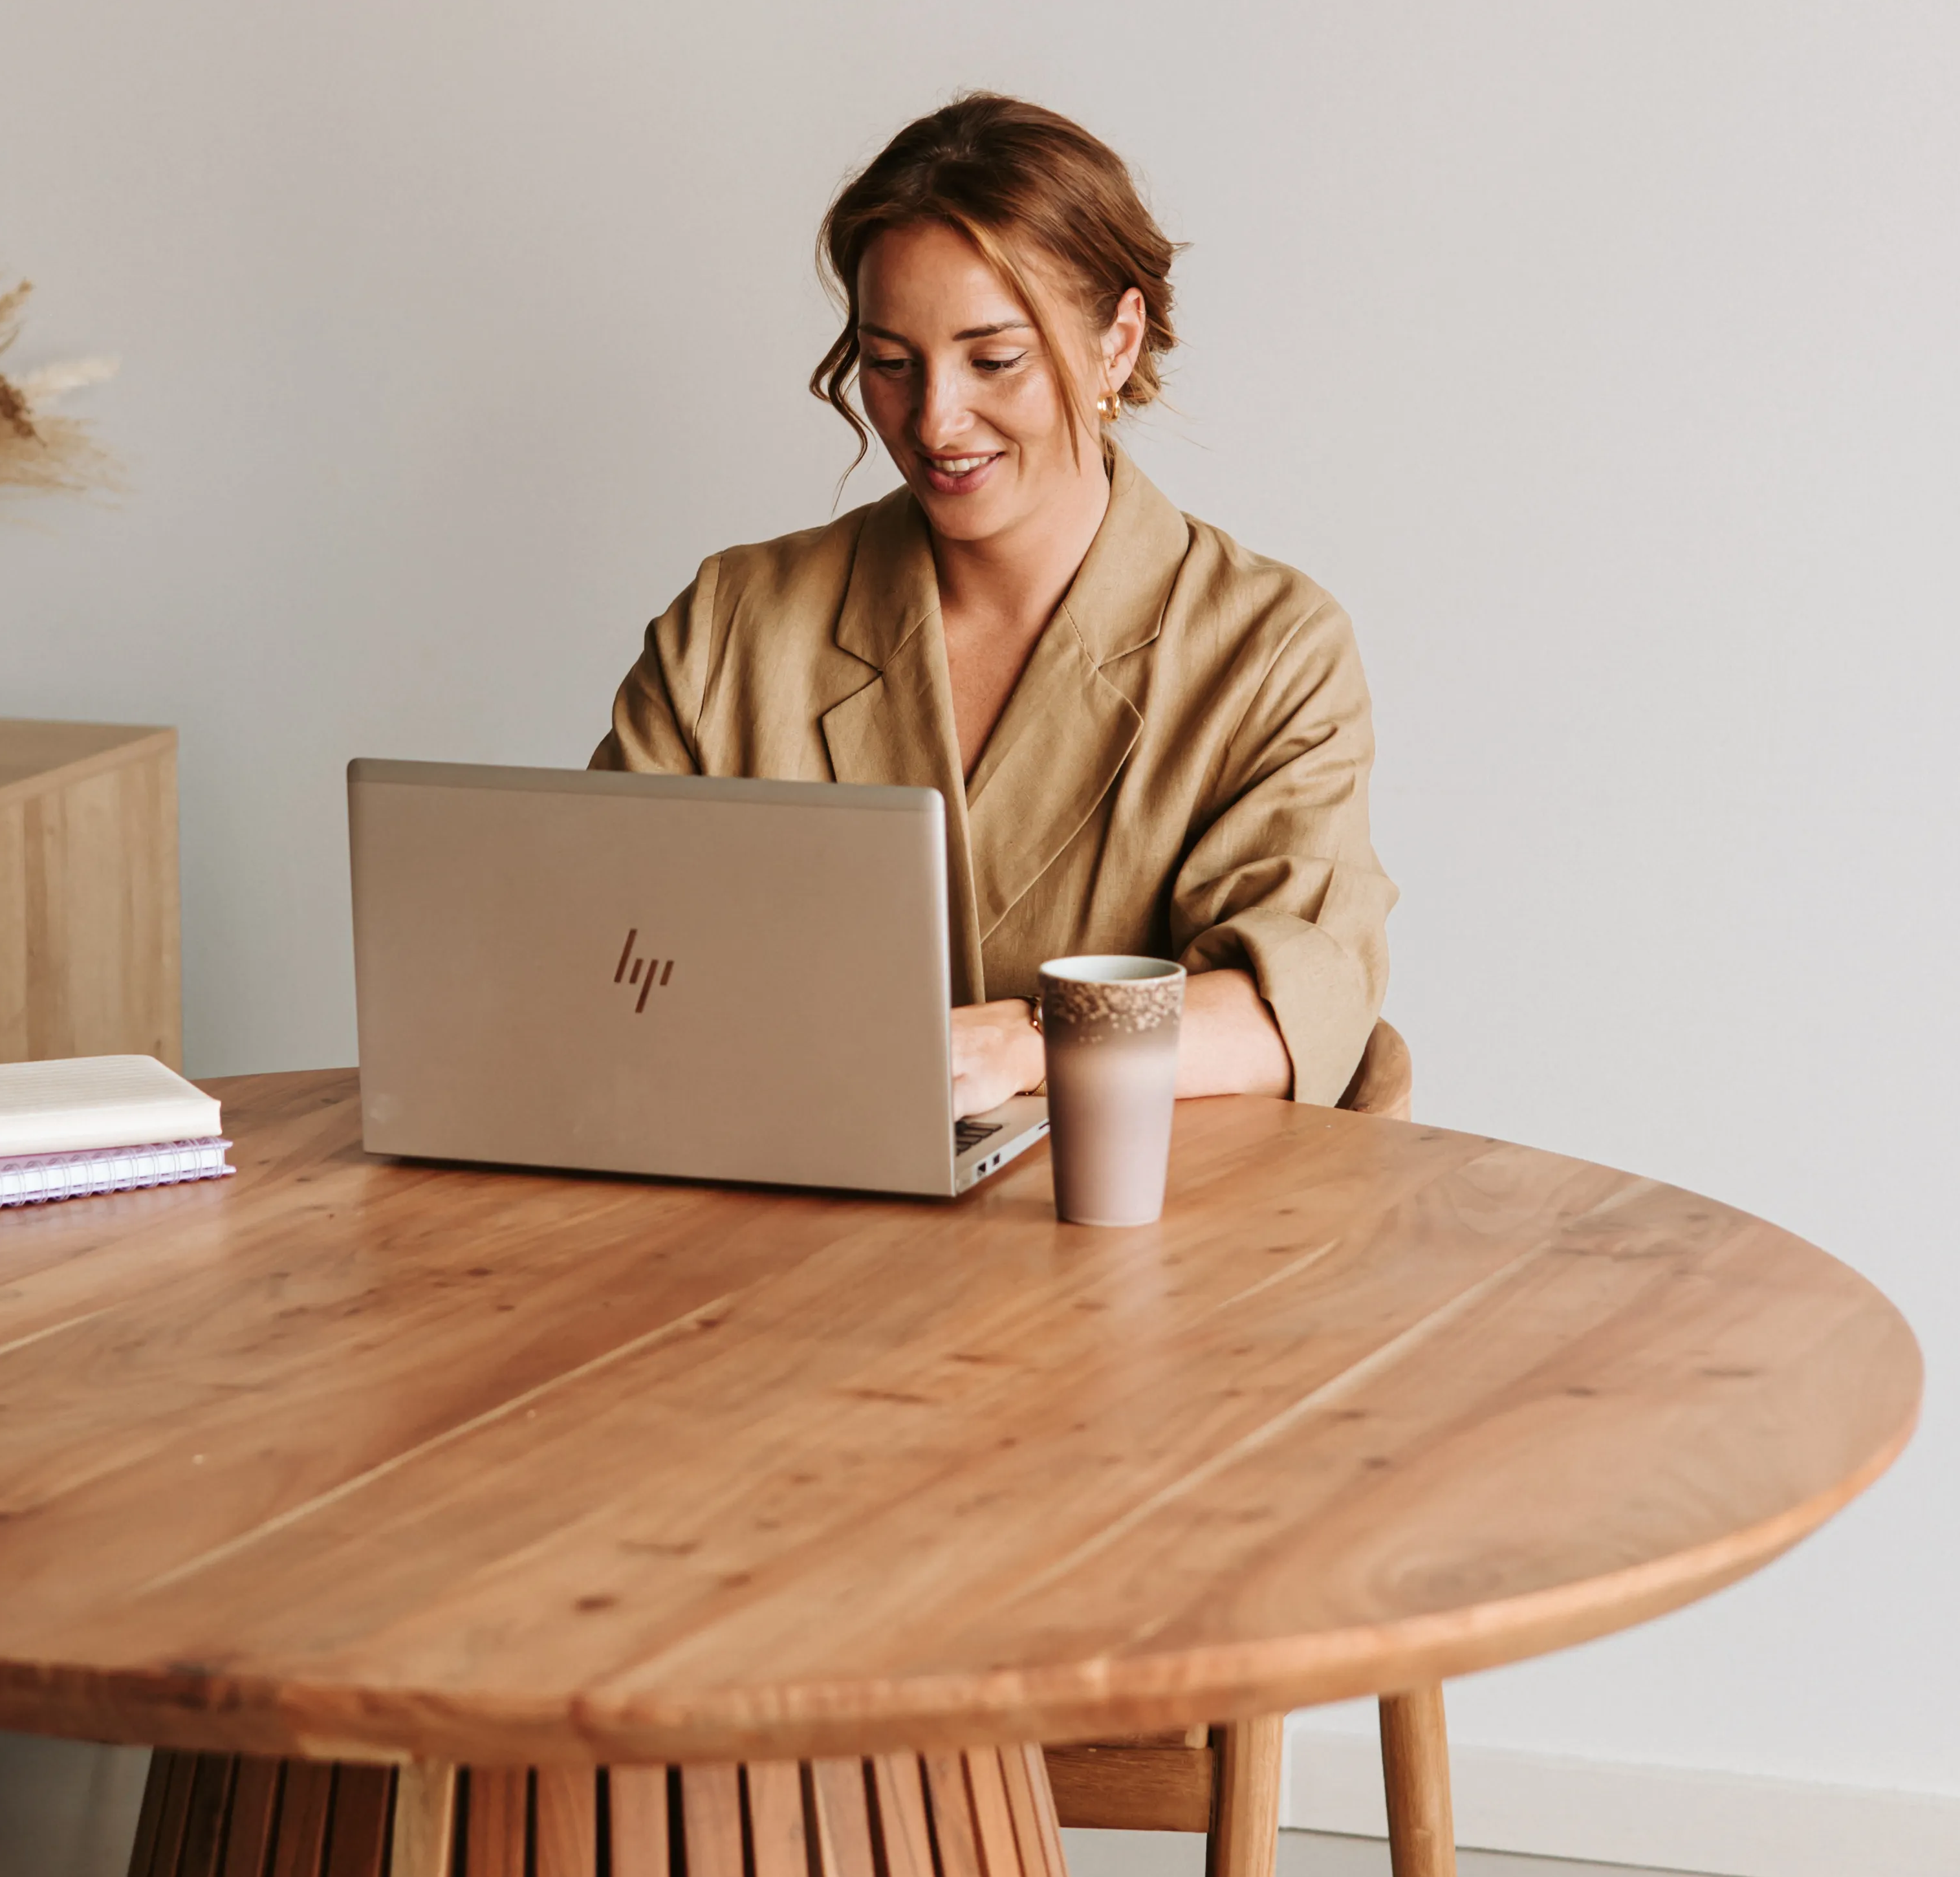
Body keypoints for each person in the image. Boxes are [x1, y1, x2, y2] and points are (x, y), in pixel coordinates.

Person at [594, 93, 1393, 1120]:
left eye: (995, 360)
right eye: (888, 364)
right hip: (776, 1234)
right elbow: (603, 964)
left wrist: (1029, 1042)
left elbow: (1292, 1007)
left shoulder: (1271, 651)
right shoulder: (732, 627)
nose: (933, 419)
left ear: (1117, 341)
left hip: (1139, 1248)